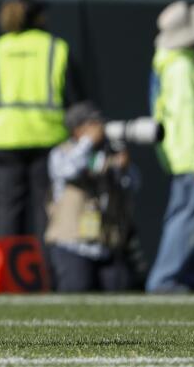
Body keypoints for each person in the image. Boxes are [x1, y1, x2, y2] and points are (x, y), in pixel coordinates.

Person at [0, 0, 76, 239]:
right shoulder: (56, 48)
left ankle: (9, 274)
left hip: (3, 139)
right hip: (47, 137)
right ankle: (44, 274)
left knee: (7, 212)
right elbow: (75, 98)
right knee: (46, 211)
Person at [147, 1, 194, 293]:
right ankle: (165, 279)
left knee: (189, 218)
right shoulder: (180, 67)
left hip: (183, 156)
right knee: (185, 218)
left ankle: (187, 275)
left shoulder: (173, 64)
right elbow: (187, 119)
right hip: (189, 157)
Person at [45, 103, 135, 292]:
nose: (99, 129)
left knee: (121, 290)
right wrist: (88, 143)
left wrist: (123, 167)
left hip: (107, 244)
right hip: (71, 244)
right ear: (77, 130)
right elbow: (68, 170)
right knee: (77, 289)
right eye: (92, 125)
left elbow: (134, 185)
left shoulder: (109, 153)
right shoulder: (62, 153)